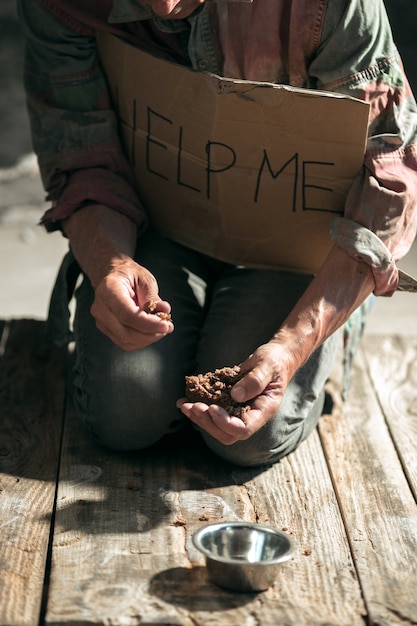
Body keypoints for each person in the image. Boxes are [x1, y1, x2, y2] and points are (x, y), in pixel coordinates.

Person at [17, 0, 417, 466]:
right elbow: (81, 156)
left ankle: (336, 330)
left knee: (249, 432)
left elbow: (391, 185)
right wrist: (109, 263)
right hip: (156, 228)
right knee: (126, 410)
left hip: (298, 252)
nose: (165, 5)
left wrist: (294, 344)